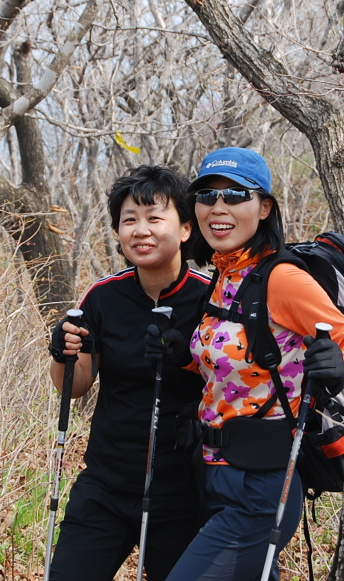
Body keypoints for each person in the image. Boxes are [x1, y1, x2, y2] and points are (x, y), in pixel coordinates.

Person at [151, 147, 344, 581]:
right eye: (207, 197)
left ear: (264, 207)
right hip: (213, 475)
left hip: (261, 488)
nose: (218, 208)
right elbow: (247, 370)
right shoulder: (225, 278)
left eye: (236, 195)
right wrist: (183, 358)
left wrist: (340, 363)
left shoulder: (281, 278)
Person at [46, 165, 211, 581]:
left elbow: (234, 384)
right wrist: (61, 353)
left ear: (187, 229)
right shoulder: (102, 297)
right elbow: (78, 385)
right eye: (129, 221)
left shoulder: (211, 297)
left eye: (155, 218)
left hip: (183, 493)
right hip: (106, 485)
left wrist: (189, 358)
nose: (141, 230)